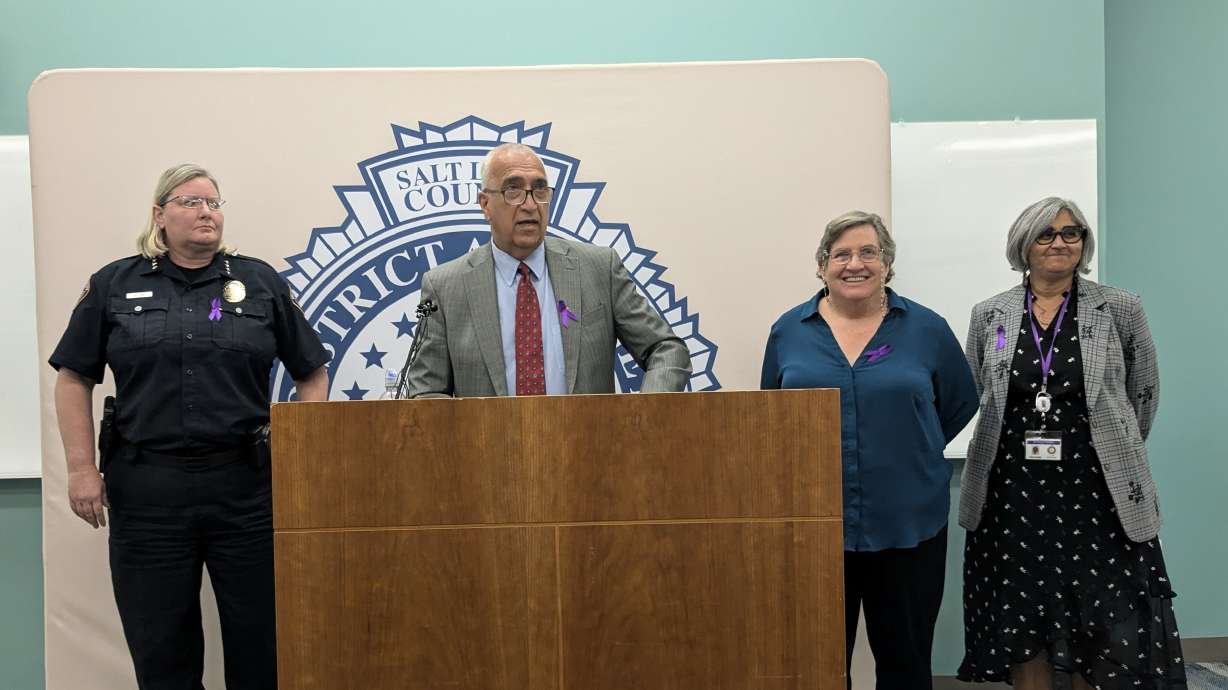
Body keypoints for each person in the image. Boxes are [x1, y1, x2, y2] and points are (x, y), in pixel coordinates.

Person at [50, 164, 330, 690]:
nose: (207, 212)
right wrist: (81, 468)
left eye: (215, 203)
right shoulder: (115, 283)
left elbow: (311, 371)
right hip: (148, 491)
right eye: (191, 202)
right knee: (162, 654)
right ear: (159, 215)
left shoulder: (260, 281)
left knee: (263, 648)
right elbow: (73, 378)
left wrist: (300, 454)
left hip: (247, 490)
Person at [958, 197, 1185, 689]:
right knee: (1023, 621)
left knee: (1098, 624)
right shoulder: (990, 314)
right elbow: (982, 387)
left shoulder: (1119, 306)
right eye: (1047, 234)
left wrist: (1113, 447)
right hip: (1012, 498)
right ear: (1023, 243)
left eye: (1071, 233)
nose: (1060, 242)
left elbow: (1142, 395)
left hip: (1097, 495)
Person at [761, 211, 977, 690]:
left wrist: (908, 449)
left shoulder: (926, 328)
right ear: (822, 266)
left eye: (868, 252)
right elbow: (772, 417)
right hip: (813, 525)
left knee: (905, 665)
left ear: (887, 264)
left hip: (909, 525)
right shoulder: (787, 332)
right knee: (814, 664)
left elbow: (960, 401)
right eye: (841, 254)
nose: (854, 264)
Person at [405, 143, 691, 397]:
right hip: (487, 453)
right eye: (513, 190)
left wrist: (649, 412)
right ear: (485, 204)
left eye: (540, 190)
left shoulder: (600, 269)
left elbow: (666, 349)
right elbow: (427, 391)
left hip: (587, 451)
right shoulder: (442, 288)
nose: (530, 205)